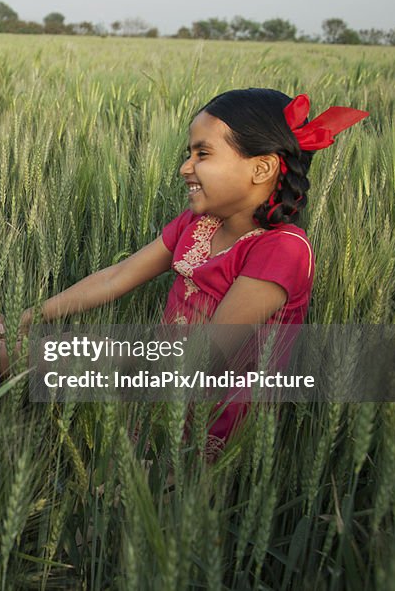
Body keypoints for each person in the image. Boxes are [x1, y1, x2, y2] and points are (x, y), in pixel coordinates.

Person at [19, 88, 369, 441]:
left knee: (68, 355)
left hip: (214, 422)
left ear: (261, 168)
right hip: (161, 386)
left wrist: (113, 357)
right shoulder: (198, 224)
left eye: (203, 153)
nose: (186, 167)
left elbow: (211, 354)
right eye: (189, 154)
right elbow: (116, 276)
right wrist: (35, 314)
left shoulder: (282, 250)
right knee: (38, 351)